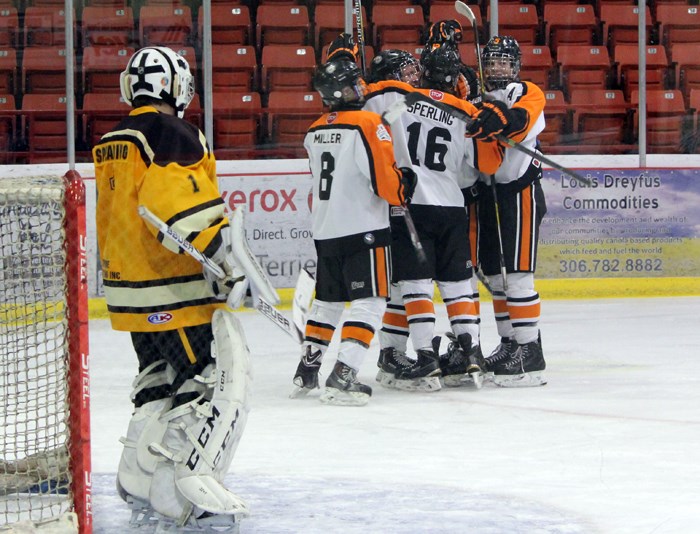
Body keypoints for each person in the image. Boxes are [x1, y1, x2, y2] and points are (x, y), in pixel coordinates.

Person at [93, 46, 257, 531]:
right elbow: (177, 203)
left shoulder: (112, 138)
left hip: (127, 290)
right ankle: (178, 492)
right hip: (173, 290)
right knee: (201, 383)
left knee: (156, 383)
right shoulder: (173, 132)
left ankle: (137, 479)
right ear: (176, 86)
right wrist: (227, 259)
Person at [363, 45, 503, 392]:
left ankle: (425, 356)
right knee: (458, 285)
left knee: (414, 285)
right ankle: (471, 351)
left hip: (411, 206)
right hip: (453, 208)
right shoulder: (466, 111)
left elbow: (376, 120)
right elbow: (478, 170)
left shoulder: (401, 100)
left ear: (423, 71)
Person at [289, 57, 416, 406]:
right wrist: (406, 184)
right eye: (353, 85)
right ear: (339, 91)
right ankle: (343, 374)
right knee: (370, 303)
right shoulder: (368, 122)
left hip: (327, 228)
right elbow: (386, 185)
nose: (360, 88)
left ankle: (307, 369)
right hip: (364, 229)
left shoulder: (313, 129)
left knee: (328, 302)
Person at [464, 36, 548, 387]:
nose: (498, 68)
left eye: (505, 62)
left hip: (520, 193)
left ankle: (531, 352)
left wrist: (496, 121)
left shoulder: (527, 90)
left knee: (518, 275)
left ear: (516, 66)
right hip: (488, 194)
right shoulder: (474, 97)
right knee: (496, 277)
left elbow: (520, 121)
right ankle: (510, 342)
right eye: (493, 62)